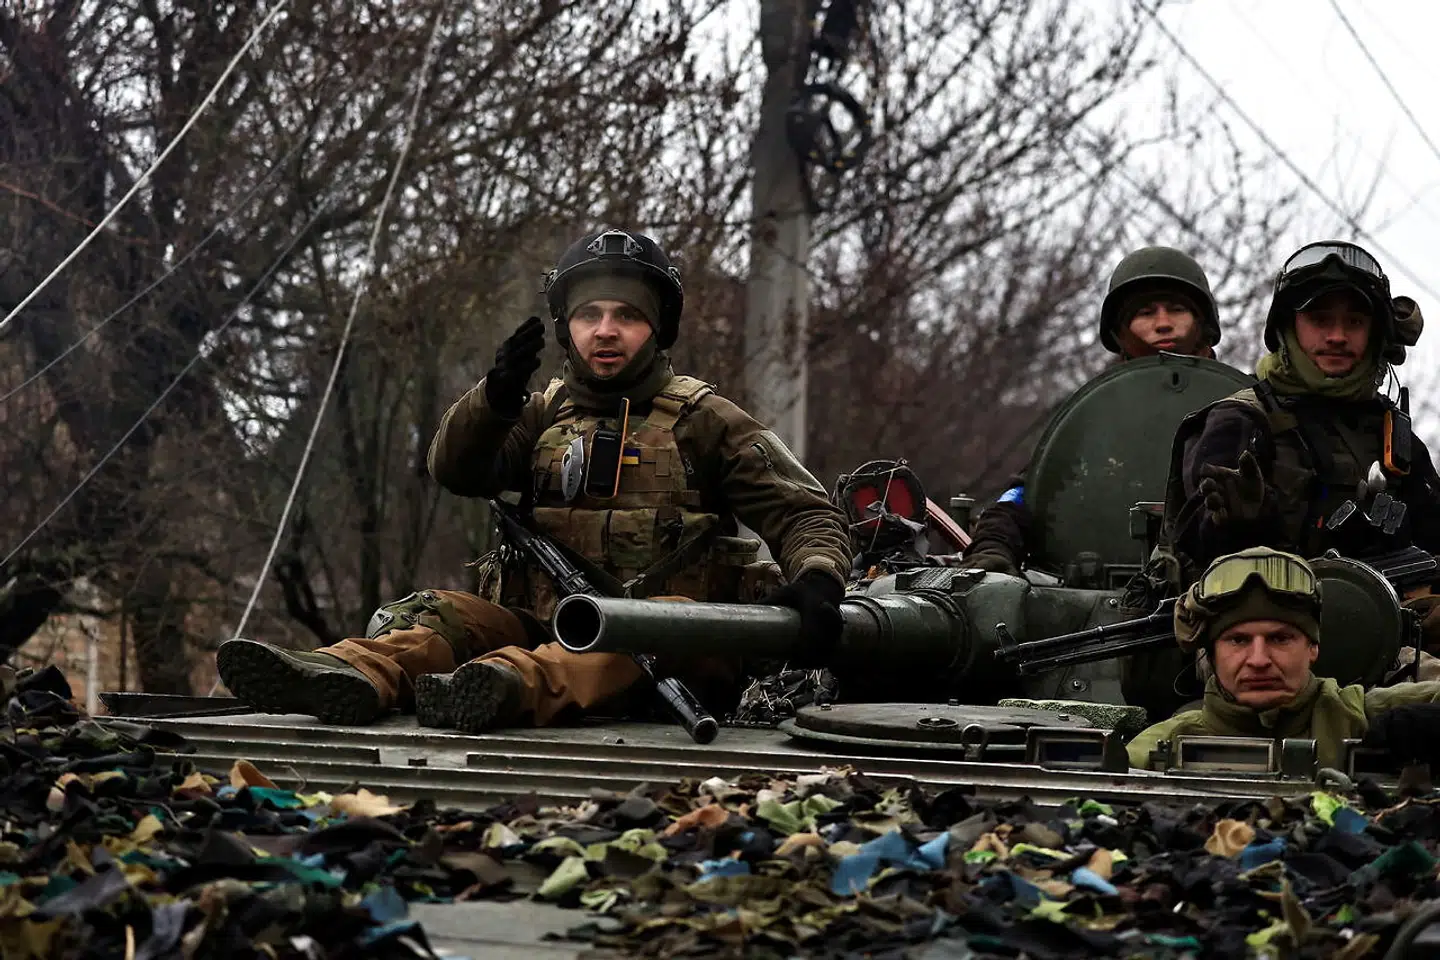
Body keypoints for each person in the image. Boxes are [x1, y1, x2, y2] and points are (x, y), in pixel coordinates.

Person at [217, 228, 853, 732]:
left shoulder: (707, 419)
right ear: (565, 327)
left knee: (661, 620)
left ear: (657, 328)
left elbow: (805, 513)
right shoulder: (543, 412)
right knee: (443, 613)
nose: (605, 330)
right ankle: (345, 673)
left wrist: (819, 579)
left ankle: (498, 688)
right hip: (544, 624)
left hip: (665, 651)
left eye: (627, 315)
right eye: (589, 315)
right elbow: (455, 470)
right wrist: (492, 401)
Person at [965, 246, 1222, 576]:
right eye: (1145, 313)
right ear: (1120, 330)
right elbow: (1027, 494)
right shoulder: (1096, 415)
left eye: (1176, 310)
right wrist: (993, 545)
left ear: (1202, 323)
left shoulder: (1241, 406)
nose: (1162, 324)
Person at [1127, 547, 1440, 771]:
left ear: (1313, 647)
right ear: (1210, 654)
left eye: (1280, 638)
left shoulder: (1357, 716)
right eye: (1238, 640)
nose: (1259, 659)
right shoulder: (1164, 744)